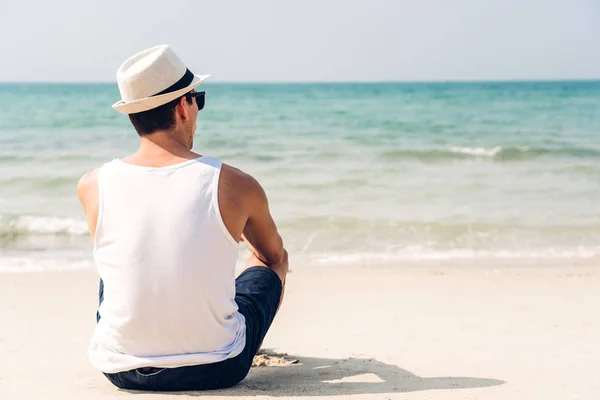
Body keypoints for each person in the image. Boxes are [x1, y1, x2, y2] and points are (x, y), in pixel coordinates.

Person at [77, 45, 289, 391]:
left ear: (134, 116)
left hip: (120, 370)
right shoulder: (234, 183)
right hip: (218, 367)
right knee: (272, 262)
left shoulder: (92, 184)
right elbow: (273, 256)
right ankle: (241, 342)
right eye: (197, 98)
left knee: (114, 270)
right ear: (183, 107)